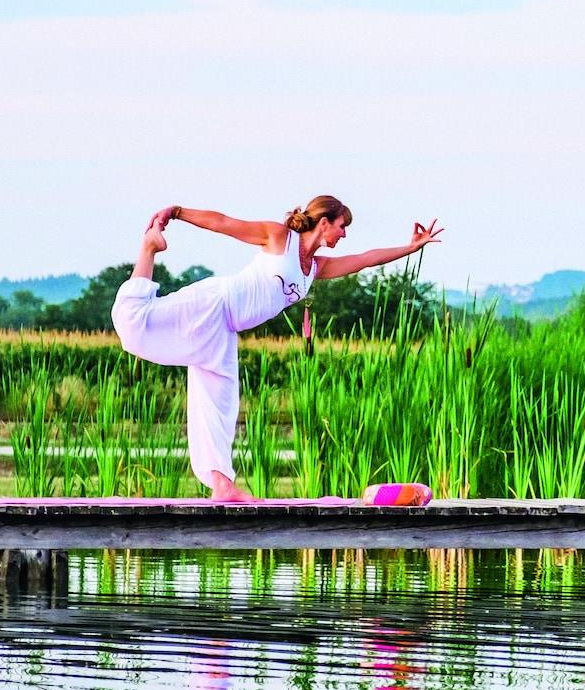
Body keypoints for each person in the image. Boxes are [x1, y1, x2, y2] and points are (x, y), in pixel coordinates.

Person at [112, 195, 443, 500]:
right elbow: (223, 223)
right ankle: (149, 248)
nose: (343, 234)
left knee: (220, 405)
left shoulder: (315, 268)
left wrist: (410, 248)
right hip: (213, 303)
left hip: (224, 331)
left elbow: (365, 260)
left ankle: (222, 485)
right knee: (134, 324)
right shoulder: (279, 238)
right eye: (342, 226)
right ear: (324, 222)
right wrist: (177, 212)